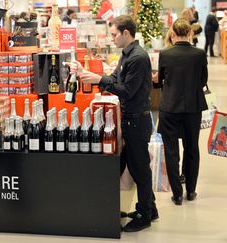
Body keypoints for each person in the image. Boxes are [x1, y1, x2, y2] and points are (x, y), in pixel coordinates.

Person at [71, 15, 157, 232]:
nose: (112, 39)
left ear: (126, 33)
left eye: (114, 34)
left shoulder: (137, 58)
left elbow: (127, 91)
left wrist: (99, 80)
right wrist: (93, 76)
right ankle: (150, 208)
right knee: (129, 166)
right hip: (131, 120)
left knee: (140, 170)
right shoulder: (127, 55)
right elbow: (117, 80)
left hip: (137, 120)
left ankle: (145, 215)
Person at [154, 18, 208, 206]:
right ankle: (191, 190)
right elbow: (203, 80)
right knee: (192, 148)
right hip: (193, 107)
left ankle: (177, 194)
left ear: (173, 33)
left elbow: (160, 80)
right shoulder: (200, 54)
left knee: (171, 151)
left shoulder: (165, 54)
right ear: (190, 33)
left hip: (170, 107)